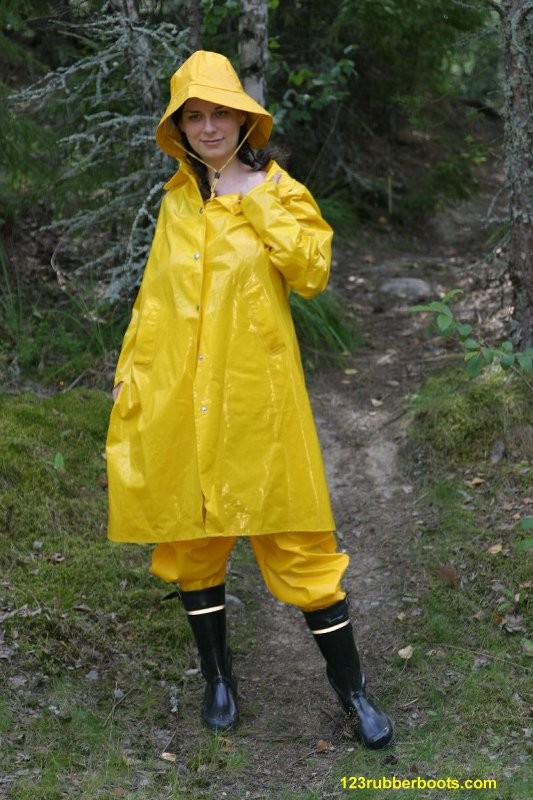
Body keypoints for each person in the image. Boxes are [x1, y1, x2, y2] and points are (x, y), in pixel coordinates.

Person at [106, 50, 393, 749]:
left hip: (256, 404)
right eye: (193, 116)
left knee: (302, 548)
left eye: (219, 113)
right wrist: (129, 373)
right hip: (176, 396)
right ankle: (218, 678)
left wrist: (256, 193)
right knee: (192, 544)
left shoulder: (280, 187)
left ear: (244, 117)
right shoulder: (177, 201)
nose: (208, 127)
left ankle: (351, 692)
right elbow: (154, 300)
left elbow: (313, 271)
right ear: (178, 126)